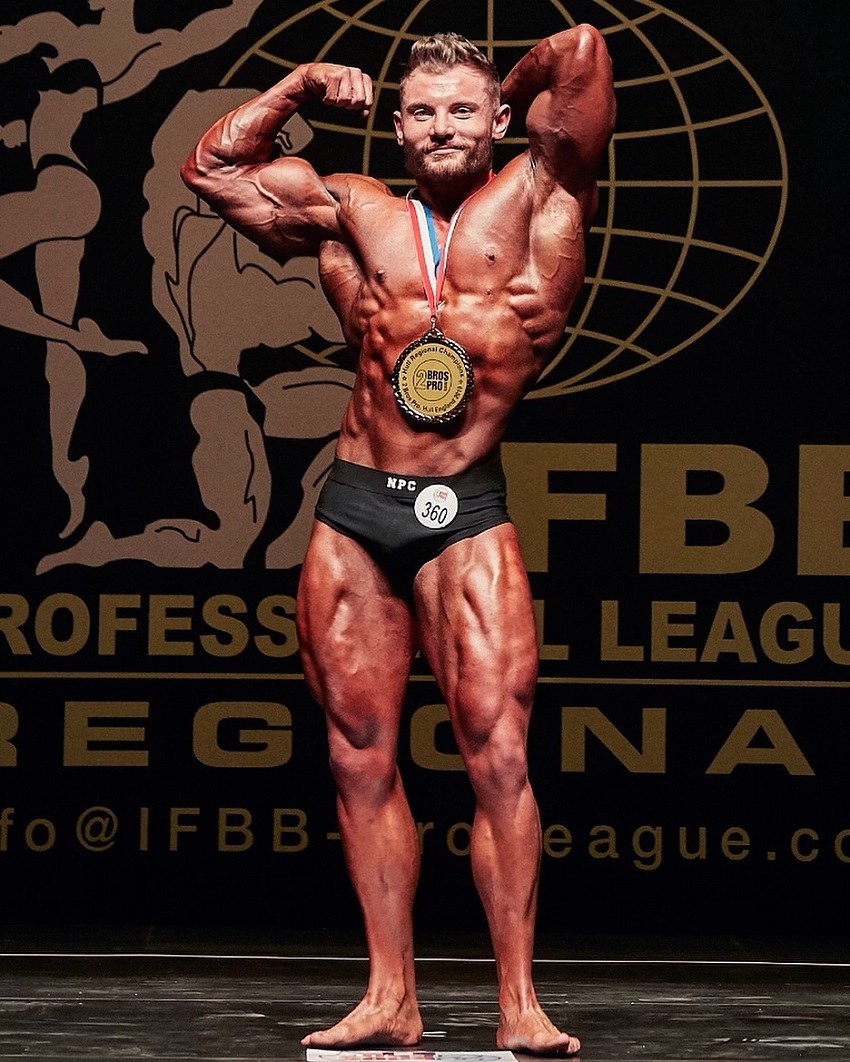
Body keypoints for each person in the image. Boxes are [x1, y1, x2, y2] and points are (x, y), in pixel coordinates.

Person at [182, 24, 615, 1055]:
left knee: (498, 755)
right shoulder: (352, 210)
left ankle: (519, 1003)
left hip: (464, 508)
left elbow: (585, 51)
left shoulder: (543, 192)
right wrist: (294, 82)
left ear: (500, 120)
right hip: (356, 510)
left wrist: (497, 82)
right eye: (421, 111)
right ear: (397, 123)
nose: (441, 128)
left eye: (462, 110)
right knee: (359, 756)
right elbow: (213, 168)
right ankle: (390, 997)